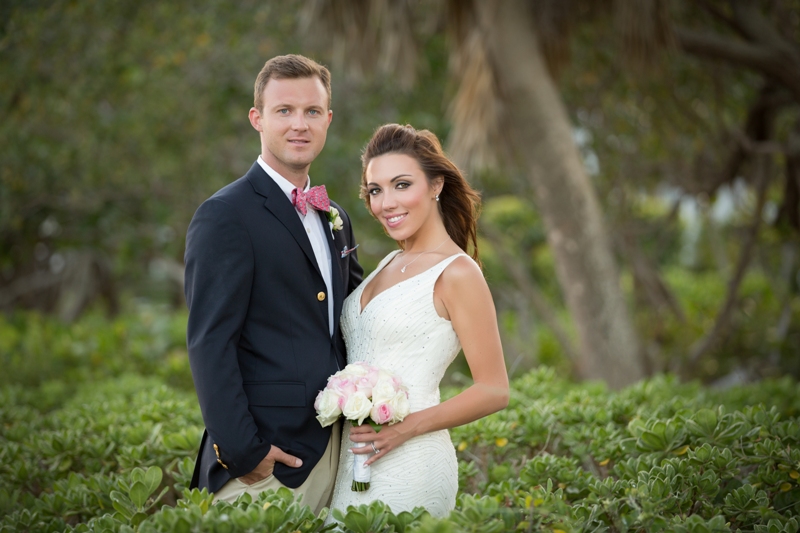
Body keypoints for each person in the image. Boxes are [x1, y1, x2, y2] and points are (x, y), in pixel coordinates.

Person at [183, 54, 363, 514]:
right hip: (267, 463)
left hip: (337, 455)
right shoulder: (225, 215)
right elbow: (210, 343)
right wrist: (246, 452)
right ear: (257, 119)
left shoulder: (335, 217)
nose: (299, 124)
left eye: (312, 111)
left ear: (328, 119)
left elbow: (354, 319)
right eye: (284, 111)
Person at [327, 123, 509, 517]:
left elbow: (495, 389)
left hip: (413, 461)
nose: (386, 203)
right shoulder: (389, 263)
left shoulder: (458, 273)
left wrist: (403, 429)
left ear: (436, 185)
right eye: (375, 191)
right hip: (354, 462)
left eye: (402, 185)